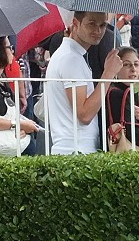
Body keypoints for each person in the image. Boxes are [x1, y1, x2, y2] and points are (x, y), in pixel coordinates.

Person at [43, 11, 122, 155]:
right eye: (91, 24)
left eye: (103, 25)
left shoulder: (71, 55)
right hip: (75, 151)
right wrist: (108, 74)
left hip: (74, 149)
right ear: (75, 23)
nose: (98, 31)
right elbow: (84, 114)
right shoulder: (71, 58)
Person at [105, 46, 139, 150]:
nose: (133, 69)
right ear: (117, 68)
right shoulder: (119, 95)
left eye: (136, 64)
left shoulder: (126, 92)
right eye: (127, 65)